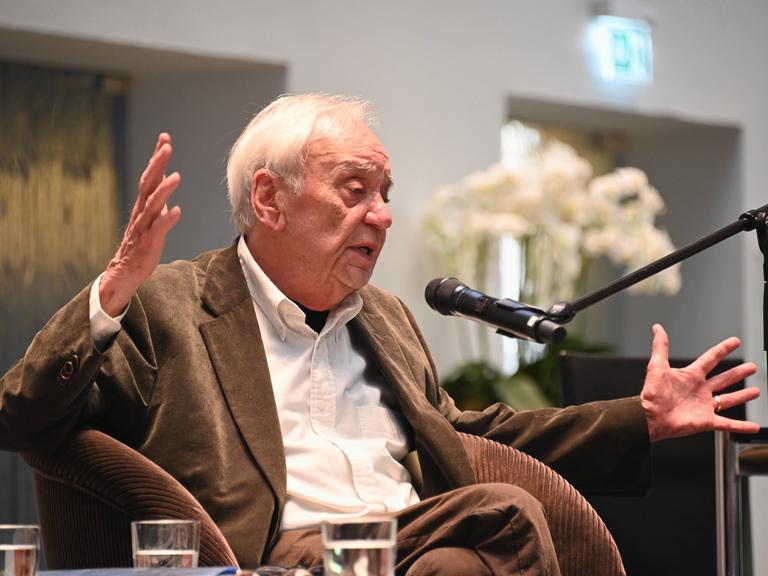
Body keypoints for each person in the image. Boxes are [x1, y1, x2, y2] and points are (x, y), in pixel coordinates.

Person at [0, 93, 761, 575]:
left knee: (467, 564)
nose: (384, 215)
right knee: (505, 512)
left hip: (411, 547)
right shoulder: (168, 307)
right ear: (270, 199)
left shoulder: (389, 318)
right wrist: (109, 294)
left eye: (386, 194)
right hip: (282, 551)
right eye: (355, 190)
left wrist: (644, 418)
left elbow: (469, 436)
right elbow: (26, 419)